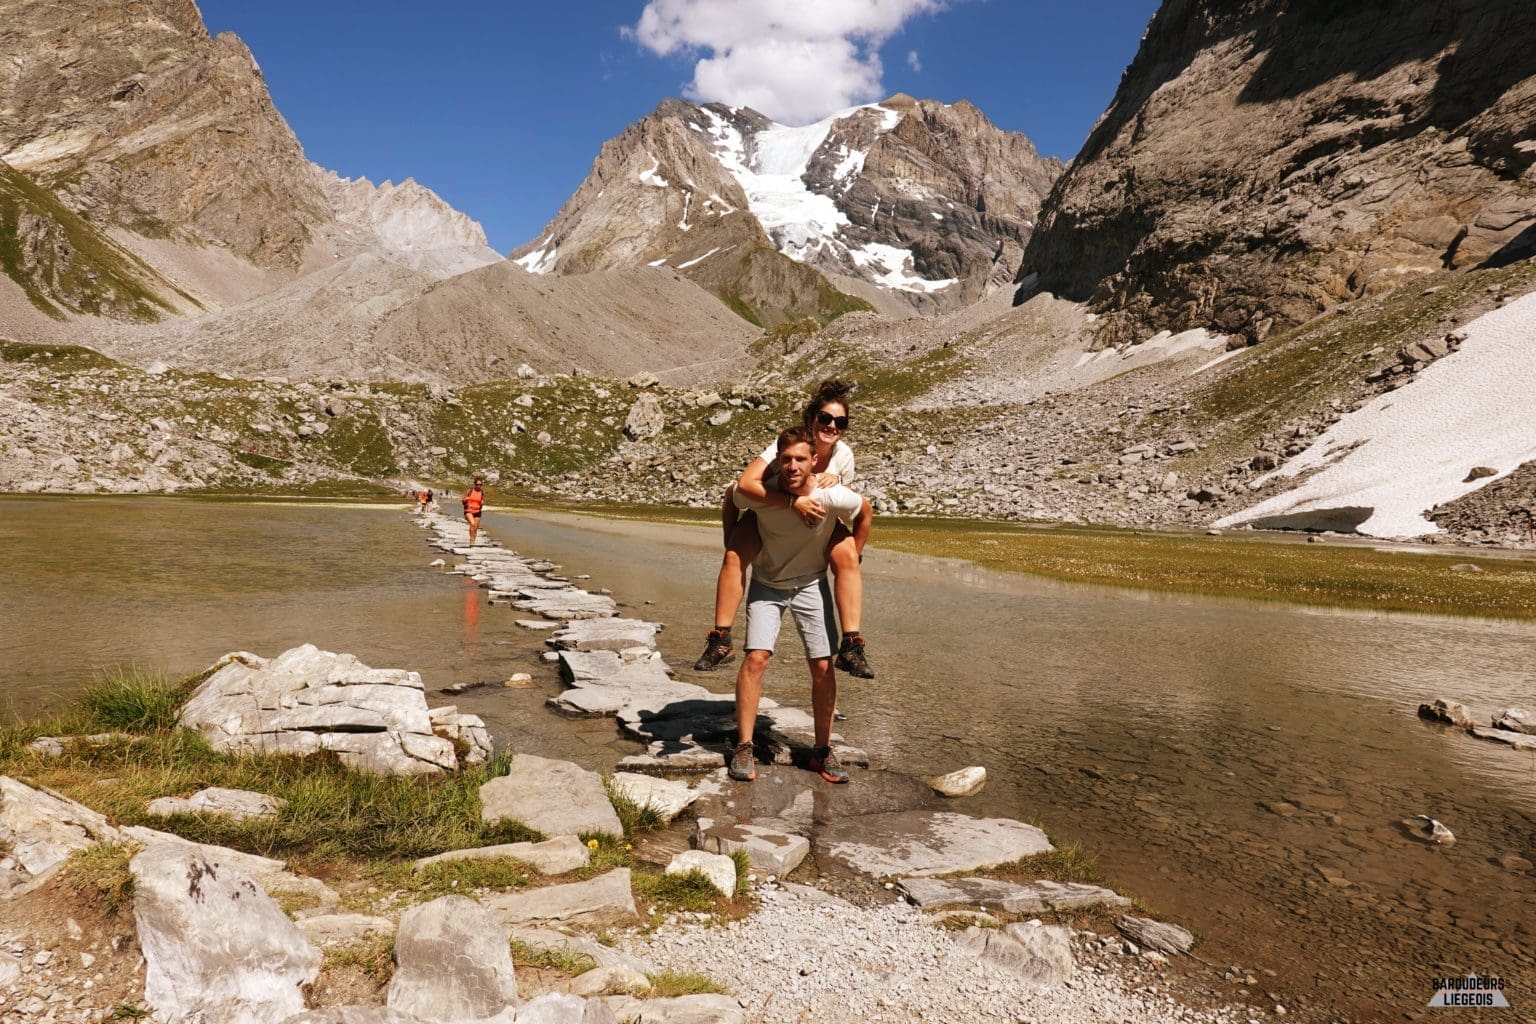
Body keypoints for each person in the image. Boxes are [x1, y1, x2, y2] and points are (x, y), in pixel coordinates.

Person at [694, 380, 875, 678]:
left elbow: (852, 505)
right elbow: (742, 487)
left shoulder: (844, 456)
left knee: (848, 559)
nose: (831, 426)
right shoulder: (788, 447)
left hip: (820, 520)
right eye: (825, 418)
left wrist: (854, 549)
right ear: (811, 418)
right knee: (734, 557)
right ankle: (721, 639)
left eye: (840, 422)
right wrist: (793, 503)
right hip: (771, 511)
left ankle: (851, 646)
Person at [728, 426, 866, 785]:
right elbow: (734, 494)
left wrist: (853, 554)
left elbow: (864, 509)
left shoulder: (831, 496)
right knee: (756, 657)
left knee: (822, 664)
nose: (792, 466)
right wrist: (731, 546)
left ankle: (821, 751)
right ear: (777, 461)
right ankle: (744, 746)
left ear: (814, 461)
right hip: (767, 584)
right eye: (786, 459)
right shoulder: (763, 494)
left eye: (800, 459)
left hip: (811, 584)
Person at [462, 477, 485, 544]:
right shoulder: (469, 491)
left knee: (475, 528)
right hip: (468, 511)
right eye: (477, 484)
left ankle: (473, 542)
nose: (478, 486)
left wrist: (482, 502)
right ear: (474, 484)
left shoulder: (482, 492)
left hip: (477, 512)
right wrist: (466, 499)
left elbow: (482, 500)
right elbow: (463, 500)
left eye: (480, 485)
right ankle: (471, 541)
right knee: (472, 524)